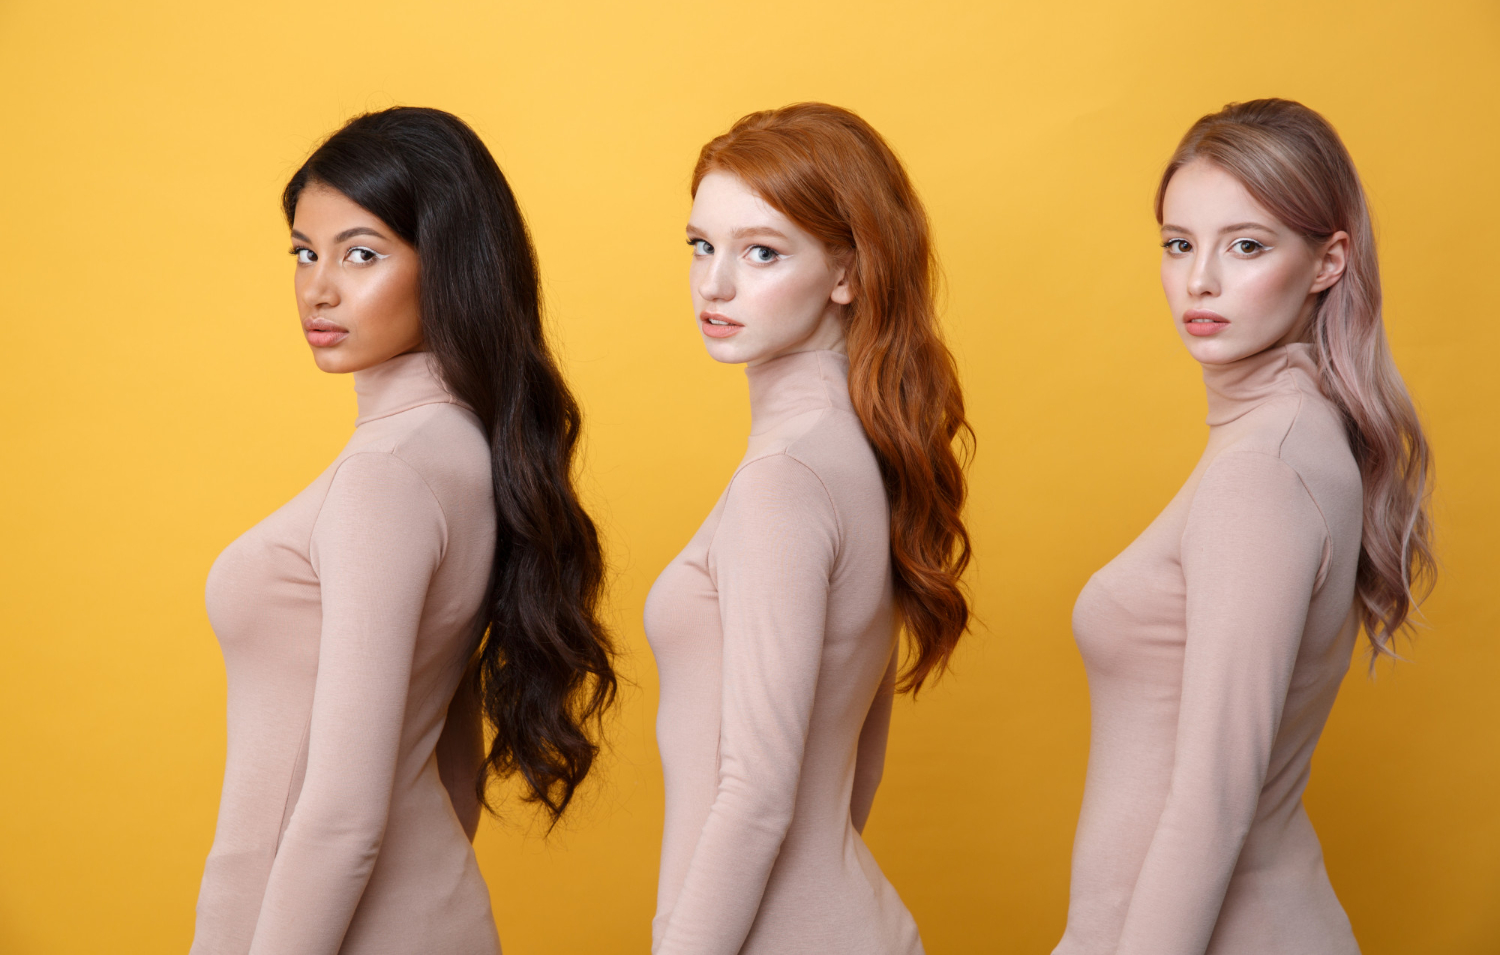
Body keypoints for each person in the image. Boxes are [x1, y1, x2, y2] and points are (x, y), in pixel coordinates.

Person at [190, 107, 616, 955]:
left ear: (447, 265)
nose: (319, 287)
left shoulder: (388, 475)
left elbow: (344, 817)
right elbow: (451, 761)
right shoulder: (460, 448)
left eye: (362, 253)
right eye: (305, 253)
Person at [1054, 99, 1435, 955]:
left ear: (1327, 261)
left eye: (1247, 246)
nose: (1200, 282)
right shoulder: (1283, 440)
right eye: (1179, 244)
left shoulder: (1263, 469)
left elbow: (1214, 803)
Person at [644, 103, 973, 955]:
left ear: (847, 273)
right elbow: (857, 759)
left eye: (761, 252)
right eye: (700, 245)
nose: (714, 283)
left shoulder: (784, 480)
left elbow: (754, 793)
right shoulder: (857, 455)